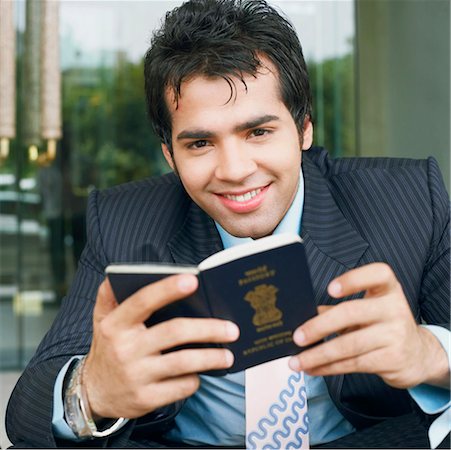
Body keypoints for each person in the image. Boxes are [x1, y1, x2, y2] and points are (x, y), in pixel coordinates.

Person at [6, 0, 450, 448]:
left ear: (304, 130)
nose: (235, 170)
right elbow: (26, 416)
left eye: (258, 132)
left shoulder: (409, 199)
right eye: (200, 143)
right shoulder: (125, 221)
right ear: (170, 156)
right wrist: (92, 391)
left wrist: (429, 354)